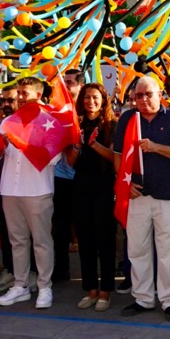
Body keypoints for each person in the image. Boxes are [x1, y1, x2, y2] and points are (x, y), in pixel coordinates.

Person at [115, 76, 170, 322]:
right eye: (139, 95)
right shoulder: (128, 118)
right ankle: (143, 298)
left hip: (167, 195)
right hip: (137, 195)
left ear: (160, 95)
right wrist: (125, 183)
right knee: (137, 249)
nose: (144, 99)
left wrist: (156, 147)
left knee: (168, 251)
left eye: (148, 94)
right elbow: (118, 155)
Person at [0, 77, 62, 310]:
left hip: (37, 190)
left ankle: (44, 287)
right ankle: (20, 285)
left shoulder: (50, 122)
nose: (21, 97)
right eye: (19, 93)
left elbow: (52, 158)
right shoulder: (7, 122)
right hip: (10, 189)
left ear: (38, 95)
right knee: (17, 241)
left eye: (25, 93)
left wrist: (21, 143)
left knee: (41, 241)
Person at [68, 83, 117, 312]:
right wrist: (78, 146)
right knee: (85, 239)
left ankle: (105, 290)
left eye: (95, 97)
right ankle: (90, 289)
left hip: (104, 186)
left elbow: (115, 158)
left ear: (103, 100)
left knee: (105, 240)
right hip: (80, 186)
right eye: (87, 97)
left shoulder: (111, 125)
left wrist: (94, 145)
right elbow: (70, 161)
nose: (91, 101)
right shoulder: (75, 123)